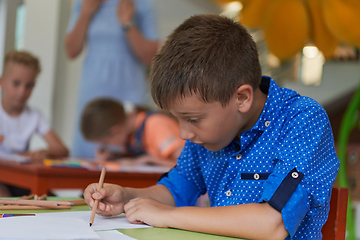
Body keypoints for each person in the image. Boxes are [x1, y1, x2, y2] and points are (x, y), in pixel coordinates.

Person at [83, 14, 340, 239]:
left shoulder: (302, 120)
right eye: (178, 119)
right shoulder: (207, 133)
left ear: (241, 98)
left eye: (193, 119)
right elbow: (176, 190)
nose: (184, 133)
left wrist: (169, 215)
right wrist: (127, 196)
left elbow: (272, 224)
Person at [65, 0, 159, 159]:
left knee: (127, 158)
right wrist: (86, 12)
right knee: (89, 157)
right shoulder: (84, 3)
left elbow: (151, 58)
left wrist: (127, 22)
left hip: (128, 94)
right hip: (93, 93)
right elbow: (71, 51)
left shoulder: (142, 4)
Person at [0, 50, 69, 196]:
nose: (22, 91)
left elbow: (62, 150)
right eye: (16, 83)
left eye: (29, 85)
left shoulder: (34, 115)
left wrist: (45, 152)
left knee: (49, 201)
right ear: (2, 82)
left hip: (22, 179)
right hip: (2, 179)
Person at [80, 98, 184, 167]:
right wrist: (114, 156)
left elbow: (185, 163)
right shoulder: (130, 136)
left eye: (105, 143)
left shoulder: (156, 124)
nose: (107, 146)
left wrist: (146, 161)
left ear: (116, 131)